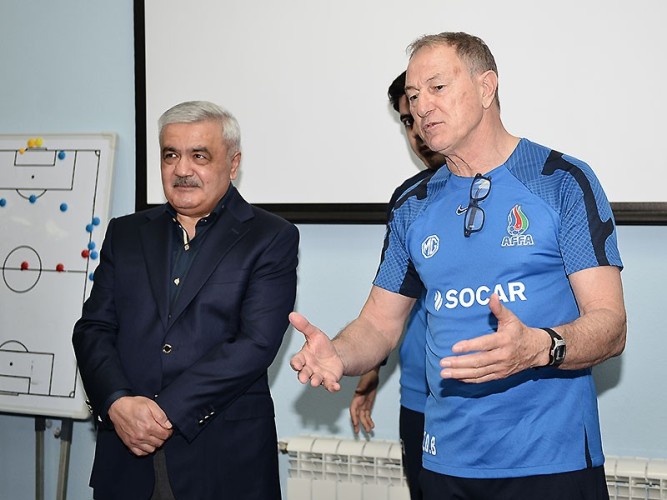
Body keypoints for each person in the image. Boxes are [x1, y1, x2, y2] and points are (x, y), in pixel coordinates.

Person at [290, 32, 626, 500]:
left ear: (486, 88)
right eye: (413, 96)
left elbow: (611, 325)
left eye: (437, 88)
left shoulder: (561, 182)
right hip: (446, 462)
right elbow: (378, 325)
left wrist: (538, 347)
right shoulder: (413, 203)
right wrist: (340, 355)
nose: (421, 107)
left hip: (553, 459)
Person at [72, 100, 299, 500]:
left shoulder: (270, 238)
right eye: (170, 155)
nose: (181, 169)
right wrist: (116, 402)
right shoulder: (126, 233)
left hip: (224, 461)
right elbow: (94, 329)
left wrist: (164, 412)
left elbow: (256, 343)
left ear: (233, 163)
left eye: (199, 156)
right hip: (126, 455)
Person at [349, 70, 445, 500]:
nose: (419, 130)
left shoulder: (520, 186)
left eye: (425, 114)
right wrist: (370, 371)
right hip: (420, 400)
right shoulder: (409, 199)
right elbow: (392, 301)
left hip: (492, 402)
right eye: (408, 120)